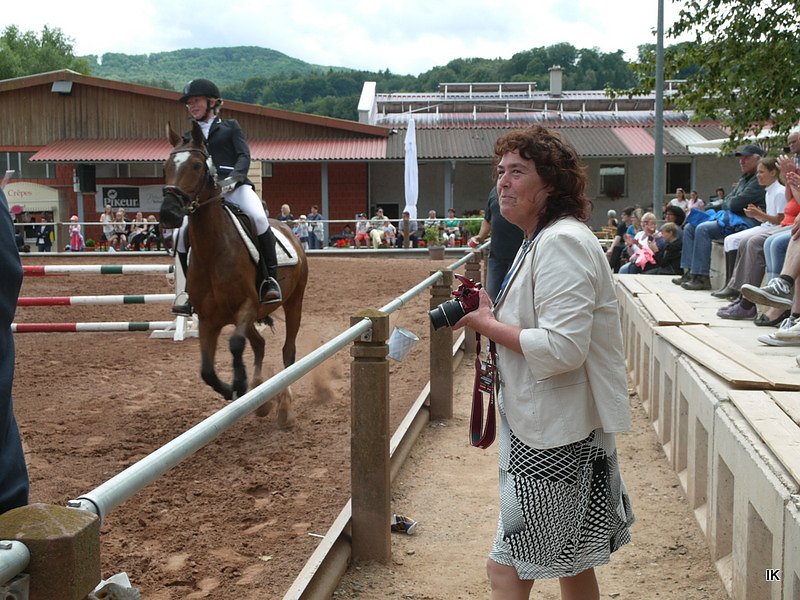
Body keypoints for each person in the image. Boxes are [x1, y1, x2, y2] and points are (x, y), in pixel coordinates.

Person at [455, 125, 634, 600]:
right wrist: (491, 313)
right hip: (563, 432)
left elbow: (562, 348)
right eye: (500, 172)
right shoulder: (541, 240)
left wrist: (486, 326)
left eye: (518, 172)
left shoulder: (561, 242)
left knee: (506, 570)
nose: (503, 182)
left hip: (554, 441)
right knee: (573, 565)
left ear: (549, 185)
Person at [171, 78, 282, 315]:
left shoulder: (231, 127)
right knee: (179, 235)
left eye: (196, 101)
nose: (192, 106)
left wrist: (233, 178)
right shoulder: (188, 136)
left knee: (259, 219)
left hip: (236, 188)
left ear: (212, 102)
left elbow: (244, 156)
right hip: (206, 196)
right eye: (189, 103)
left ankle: (269, 281)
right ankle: (190, 292)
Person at [675, 144, 767, 290]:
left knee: (703, 229)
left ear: (758, 159)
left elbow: (735, 203)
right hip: (733, 218)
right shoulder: (745, 178)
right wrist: (728, 202)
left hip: (748, 221)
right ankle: (689, 272)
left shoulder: (759, 179)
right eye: (740, 159)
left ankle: (702, 277)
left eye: (746, 158)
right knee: (689, 227)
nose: (742, 161)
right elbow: (729, 201)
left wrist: (729, 202)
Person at [712, 156, 786, 299]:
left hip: (773, 227)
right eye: (757, 172)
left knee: (740, 240)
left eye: (761, 172)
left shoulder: (779, 192)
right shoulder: (769, 191)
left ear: (773, 173)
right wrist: (756, 215)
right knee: (730, 240)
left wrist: (760, 214)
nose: (758, 176)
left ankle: (735, 288)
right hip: (767, 225)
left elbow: (781, 220)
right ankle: (730, 283)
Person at [0, 186, 30, 515]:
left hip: (227, 185)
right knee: (181, 236)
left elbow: (237, 155)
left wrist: (234, 174)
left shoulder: (224, 131)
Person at [469, 187, 525, 300]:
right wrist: (480, 237)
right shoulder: (494, 192)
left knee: (516, 297)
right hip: (496, 256)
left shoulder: (523, 190)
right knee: (491, 297)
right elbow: (488, 219)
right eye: (501, 172)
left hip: (520, 256)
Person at [605, 206, 634, 272]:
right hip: (622, 245)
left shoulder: (632, 227)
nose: (621, 216)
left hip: (629, 245)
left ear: (629, 216)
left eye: (624, 215)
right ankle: (614, 270)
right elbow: (617, 237)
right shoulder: (622, 225)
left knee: (617, 249)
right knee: (616, 249)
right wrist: (611, 248)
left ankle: (610, 269)